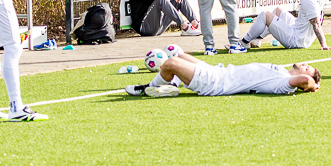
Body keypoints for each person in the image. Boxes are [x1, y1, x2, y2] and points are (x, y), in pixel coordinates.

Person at [124, 50, 320, 98]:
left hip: (215, 83)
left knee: (170, 63)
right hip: (217, 71)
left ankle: (148, 88)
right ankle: (171, 85)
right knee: (177, 52)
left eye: (307, 67)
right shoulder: (281, 71)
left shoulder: (284, 84)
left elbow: (305, 80)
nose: (305, 65)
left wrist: (313, 85)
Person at [237, 0, 331, 52]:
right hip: (300, 34)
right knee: (277, 10)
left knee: (265, 15)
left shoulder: (308, 0)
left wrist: (324, 44)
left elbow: (316, 23)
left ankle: (244, 42)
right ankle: (257, 39)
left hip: (296, 40)